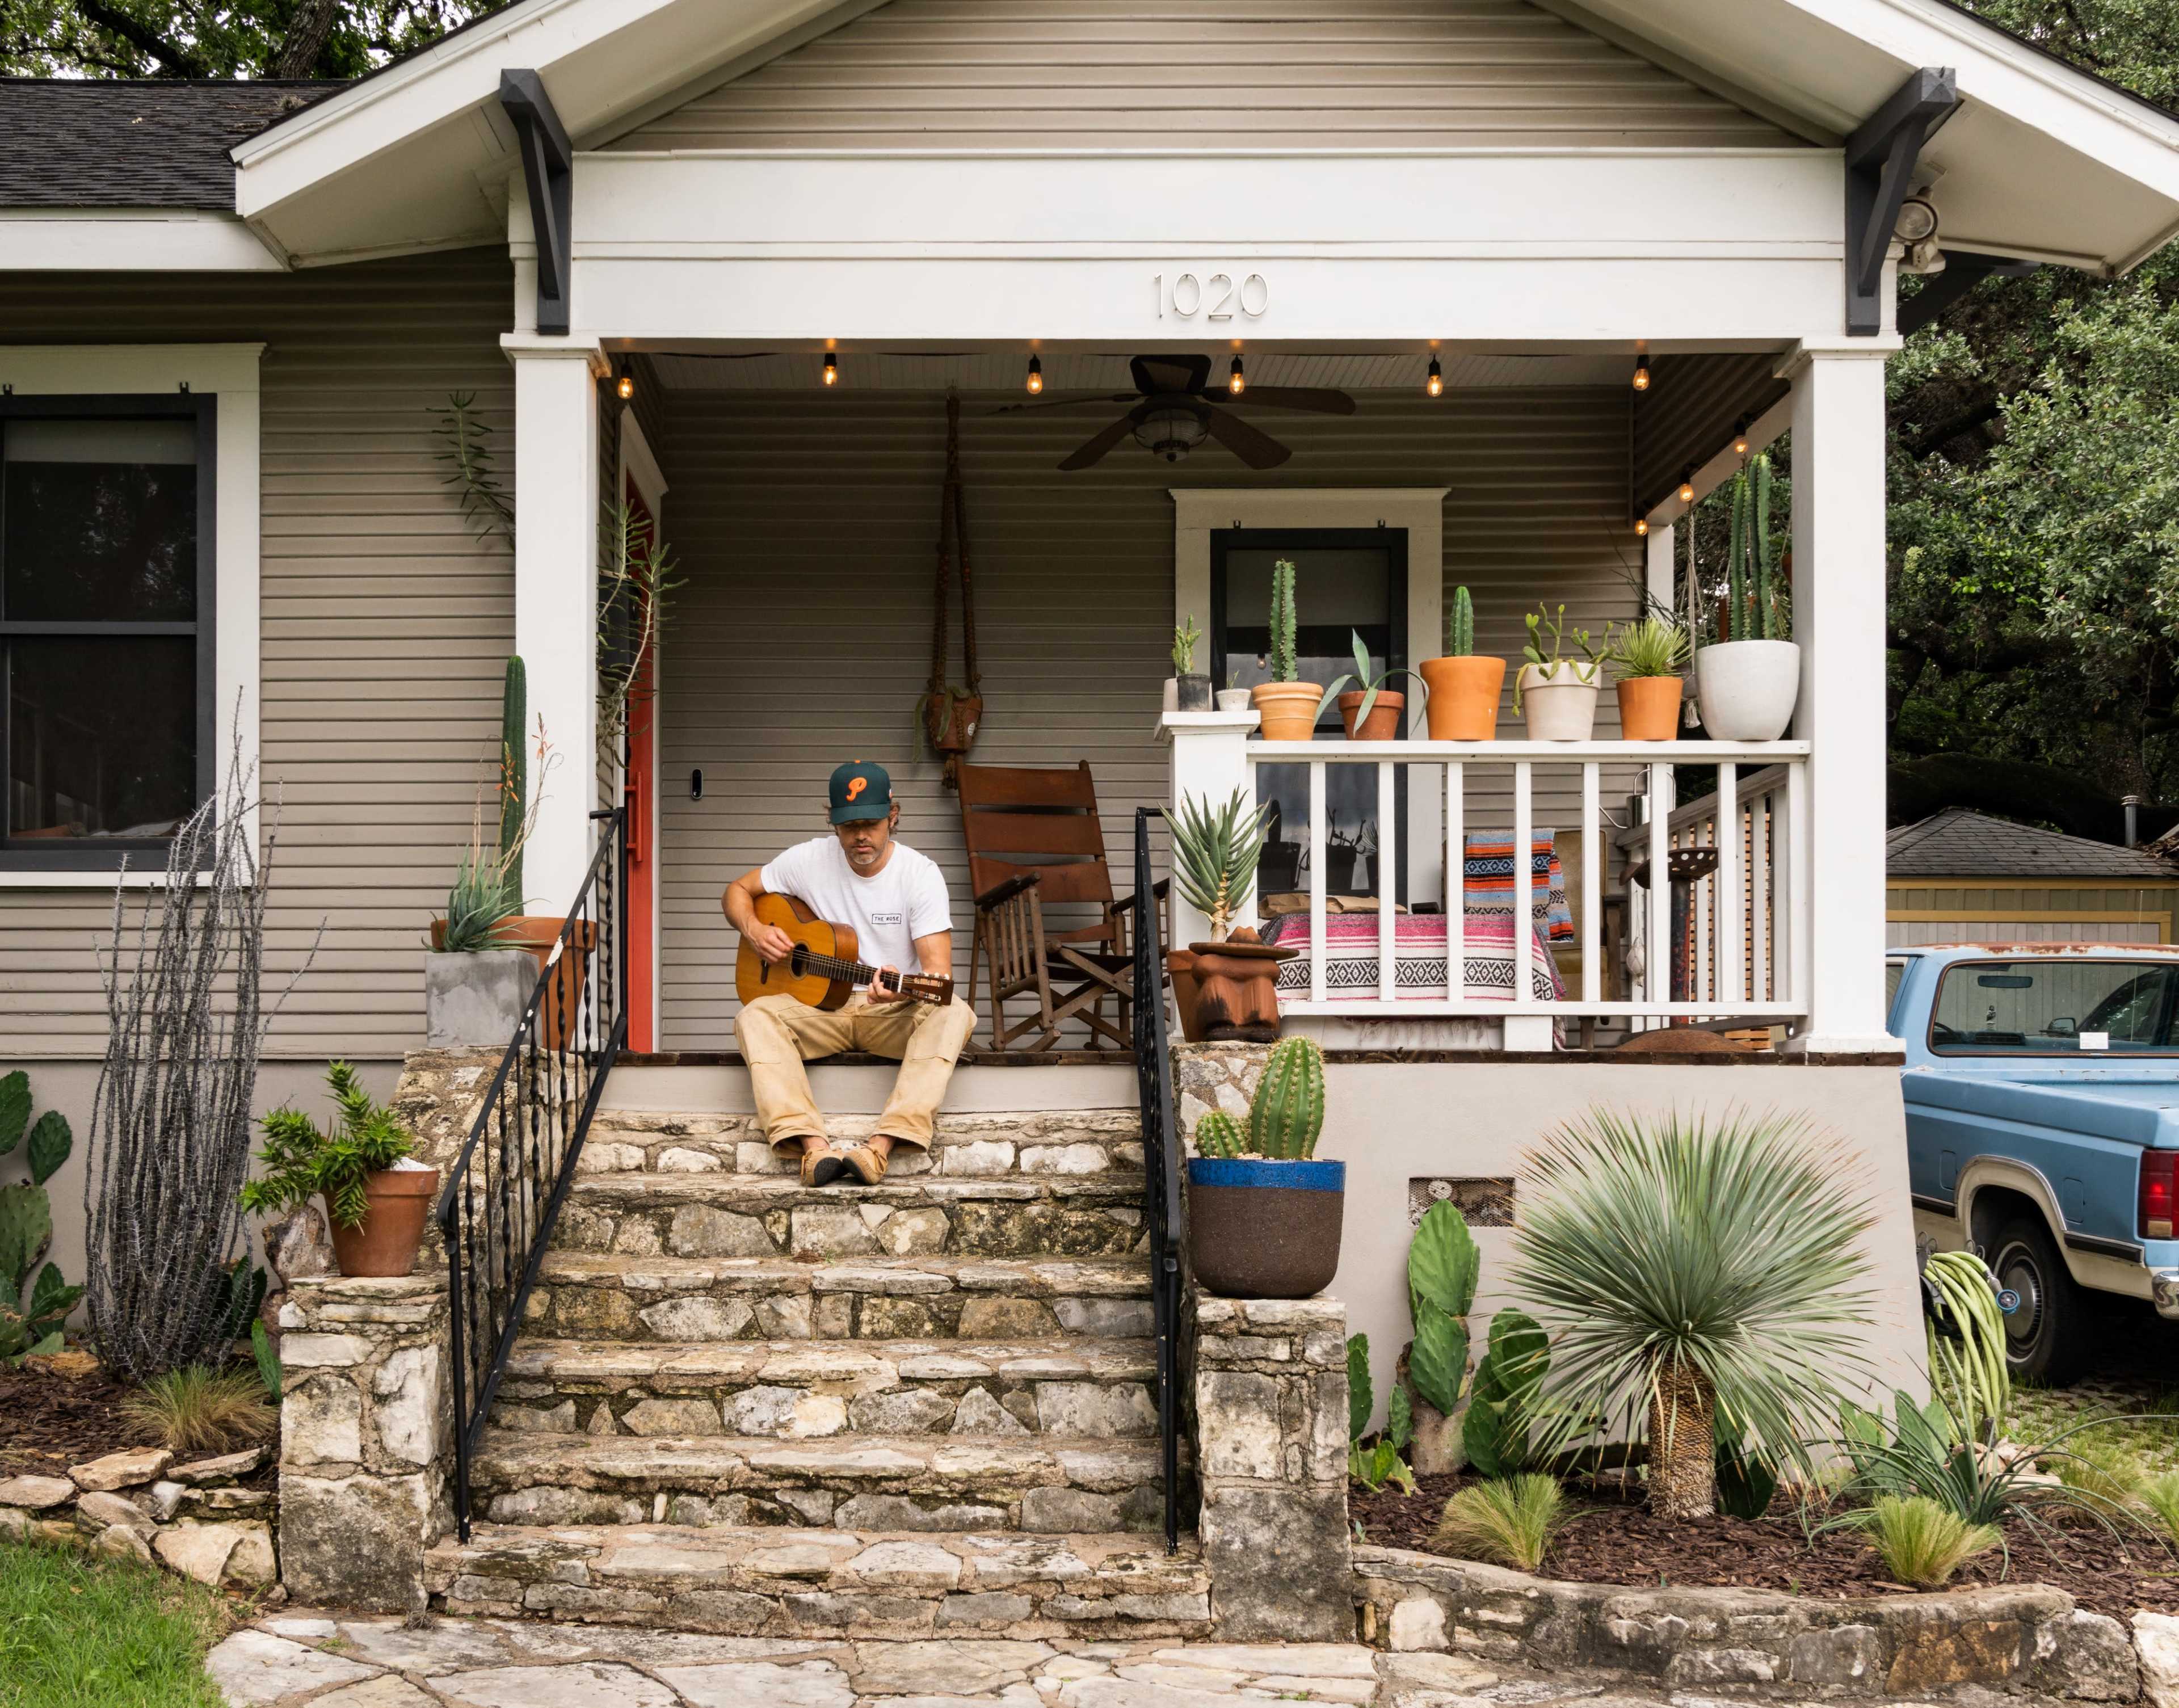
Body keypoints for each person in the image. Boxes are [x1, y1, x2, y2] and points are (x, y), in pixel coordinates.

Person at [723, 760, 977, 1187]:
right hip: (821, 1010)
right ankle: (814, 1149)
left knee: (954, 1012)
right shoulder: (808, 859)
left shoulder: (920, 875)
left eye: (872, 823)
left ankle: (879, 1148)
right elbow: (738, 891)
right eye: (849, 824)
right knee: (754, 1016)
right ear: (833, 822)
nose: (861, 835)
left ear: (893, 817)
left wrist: (898, 994)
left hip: (890, 1013)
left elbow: (938, 975)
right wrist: (754, 930)